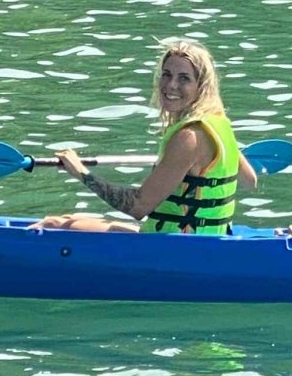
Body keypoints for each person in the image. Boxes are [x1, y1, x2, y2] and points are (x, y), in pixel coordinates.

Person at [30, 38, 257, 233]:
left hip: (178, 248)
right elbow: (250, 180)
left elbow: (138, 207)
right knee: (75, 218)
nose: (171, 85)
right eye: (166, 75)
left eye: (184, 78)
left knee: (55, 225)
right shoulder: (219, 125)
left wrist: (82, 173)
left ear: (202, 86)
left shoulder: (188, 137)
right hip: (210, 240)